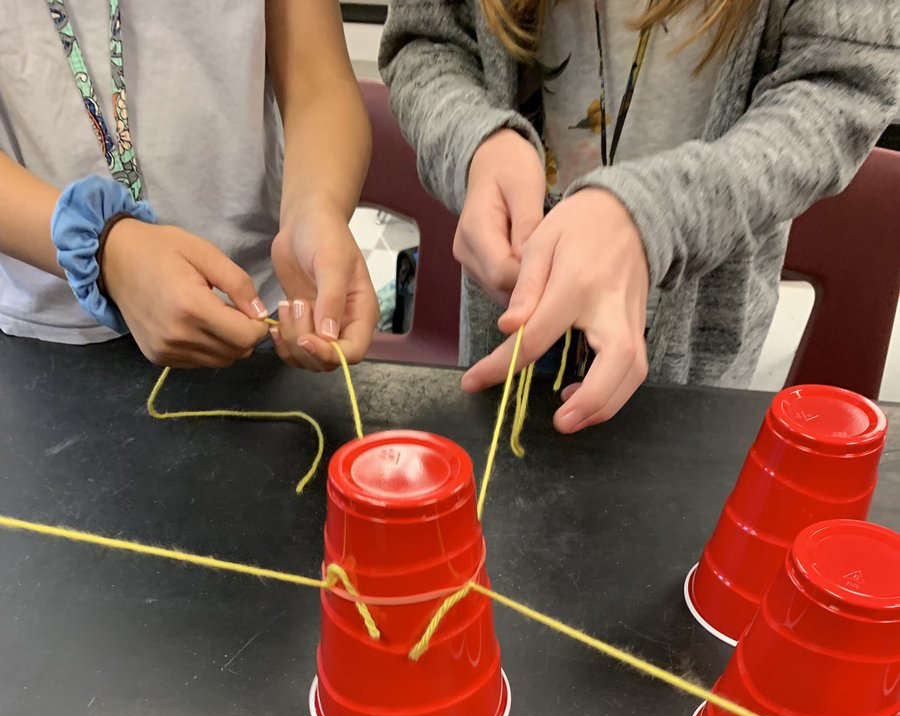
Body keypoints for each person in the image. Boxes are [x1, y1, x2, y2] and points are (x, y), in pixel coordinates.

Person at [380, 1, 899, 432]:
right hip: (510, 317)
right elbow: (426, 40)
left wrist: (660, 213)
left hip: (693, 347)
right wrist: (478, 142)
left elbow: (843, 84)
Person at [0, 1, 379, 373]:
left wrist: (313, 207)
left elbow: (318, 79)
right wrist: (102, 249)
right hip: (45, 340)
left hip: (262, 314)